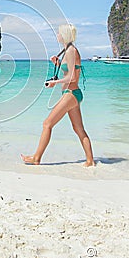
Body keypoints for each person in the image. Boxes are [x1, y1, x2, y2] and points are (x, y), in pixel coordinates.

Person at [21, 23, 95, 167]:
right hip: (72, 94)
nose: (57, 35)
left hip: (71, 93)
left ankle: (36, 158)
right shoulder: (67, 50)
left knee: (47, 124)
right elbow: (69, 71)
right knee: (78, 128)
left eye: (59, 33)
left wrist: (55, 82)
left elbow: (72, 78)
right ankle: (90, 161)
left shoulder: (71, 51)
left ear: (65, 35)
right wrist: (58, 64)